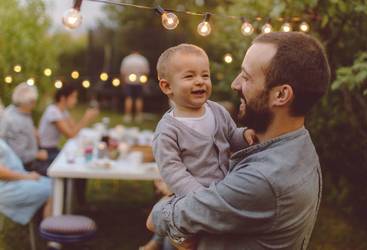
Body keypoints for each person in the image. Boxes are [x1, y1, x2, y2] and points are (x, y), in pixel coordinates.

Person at [147, 32, 331, 250]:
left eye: (246, 77)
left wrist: (167, 203)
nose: (235, 84)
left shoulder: (263, 180)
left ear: (281, 95)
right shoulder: (299, 144)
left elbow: (155, 219)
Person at [140, 44, 255, 250]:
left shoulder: (217, 111)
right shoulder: (167, 130)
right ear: (167, 87)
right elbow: (173, 171)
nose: (200, 81)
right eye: (189, 76)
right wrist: (199, 197)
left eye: (205, 75)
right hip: (192, 197)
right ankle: (165, 241)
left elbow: (231, 136)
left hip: (223, 191)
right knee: (187, 241)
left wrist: (244, 135)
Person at [0, 83, 50, 175]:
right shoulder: (16, 121)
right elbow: (18, 155)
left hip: (31, 159)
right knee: (58, 173)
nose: (34, 104)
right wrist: (37, 154)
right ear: (29, 102)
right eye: (33, 101)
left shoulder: (15, 110)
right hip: (24, 166)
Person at [38, 84, 99, 158]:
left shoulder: (63, 111)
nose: (75, 100)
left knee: (81, 154)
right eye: (73, 97)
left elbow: (74, 129)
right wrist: (86, 118)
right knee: (76, 157)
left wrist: (88, 118)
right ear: (63, 98)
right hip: (46, 151)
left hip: (53, 148)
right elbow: (70, 135)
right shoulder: (53, 111)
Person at [0, 139, 51, 225]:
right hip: (8, 187)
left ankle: (53, 228)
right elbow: (1, 173)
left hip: (17, 180)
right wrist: (27, 177)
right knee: (53, 191)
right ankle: (52, 234)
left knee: (56, 184)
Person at [120, 52, 150, 123]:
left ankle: (128, 116)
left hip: (128, 81)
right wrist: (144, 82)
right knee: (139, 98)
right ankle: (138, 116)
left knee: (128, 98)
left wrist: (123, 82)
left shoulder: (126, 59)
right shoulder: (142, 59)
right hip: (139, 81)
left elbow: (123, 72)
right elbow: (146, 72)